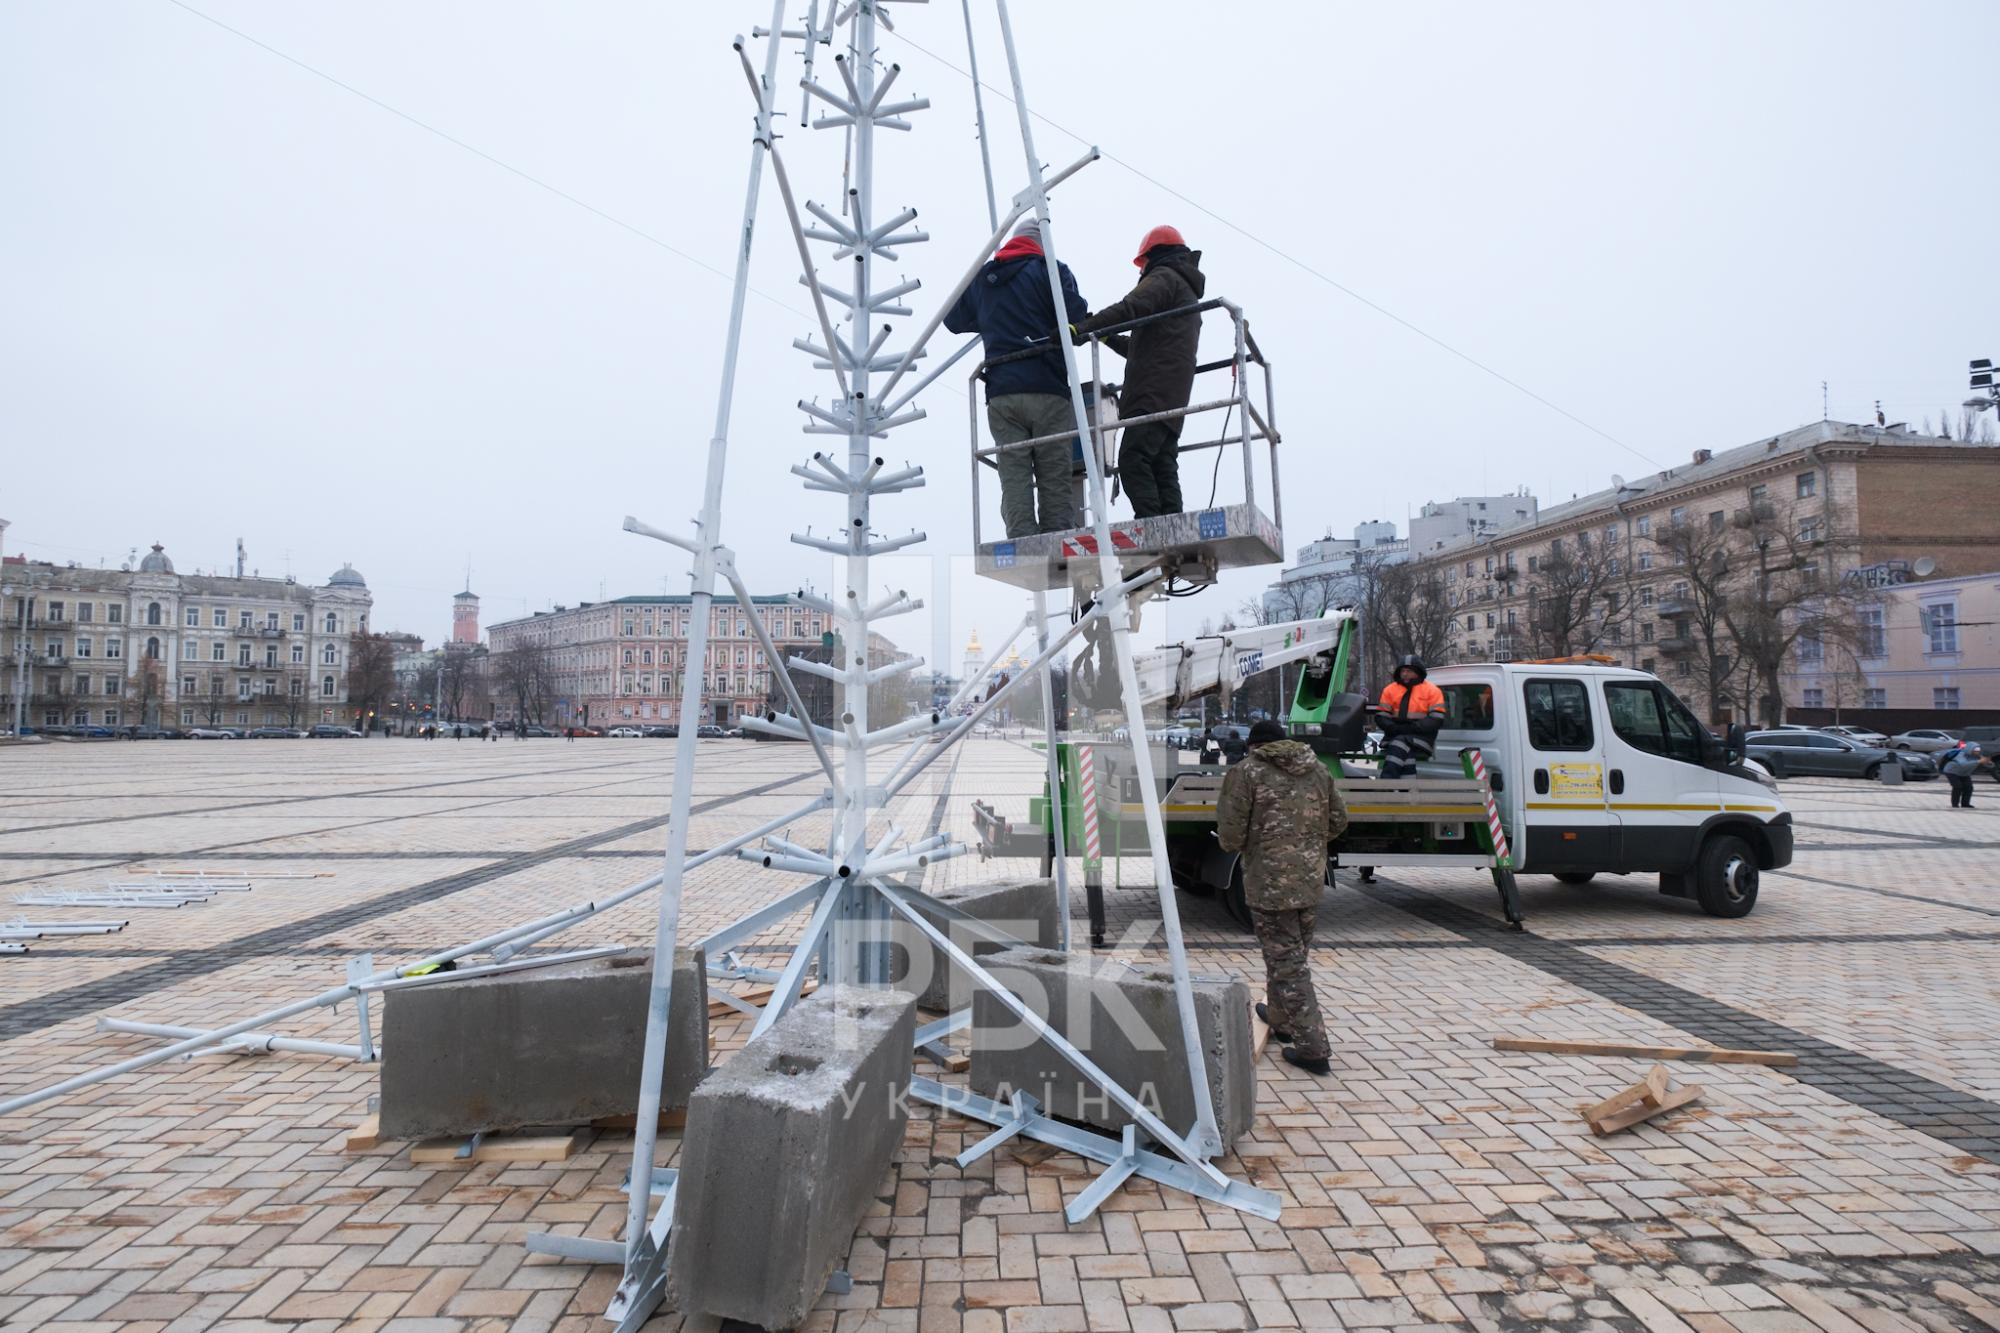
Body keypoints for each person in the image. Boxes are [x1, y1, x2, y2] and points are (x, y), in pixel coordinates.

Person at [1216, 718, 1347, 1076]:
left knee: (1288, 965)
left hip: (1269, 884)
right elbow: (1339, 820)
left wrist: (1261, 843)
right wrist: (1307, 843)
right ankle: (1280, 1018)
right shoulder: (1317, 769)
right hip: (1309, 881)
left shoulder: (1247, 772)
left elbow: (1230, 835)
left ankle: (1313, 1048)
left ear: (1253, 746)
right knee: (1290, 956)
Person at [944, 218, 1088, 538]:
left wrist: (992, 315)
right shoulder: (1051, 270)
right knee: (1053, 469)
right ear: (1042, 244)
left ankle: (1022, 538)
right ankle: (1056, 538)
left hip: (1002, 392)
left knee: (1013, 473)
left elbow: (953, 320)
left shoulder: (985, 278)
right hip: (1047, 387)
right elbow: (1076, 314)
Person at [1073, 226, 1205, 518]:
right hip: (1171, 393)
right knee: (1162, 464)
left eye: (1143, 262)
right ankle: (1172, 525)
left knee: (1133, 459)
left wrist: (1082, 329)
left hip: (1151, 392)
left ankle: (1152, 524)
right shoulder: (1185, 292)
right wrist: (1105, 337)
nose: (1141, 269)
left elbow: (1130, 308)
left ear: (1155, 255)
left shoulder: (1164, 277)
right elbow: (1145, 347)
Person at [1373, 655, 1446, 779]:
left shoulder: (1432, 690)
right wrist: (1394, 728)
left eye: (1409, 671)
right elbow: (1381, 717)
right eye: (1402, 671)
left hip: (1422, 738)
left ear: (1418, 672)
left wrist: (1411, 728)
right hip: (1394, 736)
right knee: (1405, 750)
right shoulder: (1389, 690)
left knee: (1400, 742)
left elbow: (1436, 719)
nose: (1405, 674)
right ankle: (1406, 788)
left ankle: (1387, 782)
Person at [1944, 739, 1985, 808]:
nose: (1977, 751)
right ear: (1970, 749)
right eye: (1976, 749)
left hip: (1964, 773)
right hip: (1952, 771)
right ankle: (1955, 804)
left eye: (1978, 749)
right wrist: (1978, 761)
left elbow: (1991, 766)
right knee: (1958, 786)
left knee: (1969, 787)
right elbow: (1963, 764)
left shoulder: (1978, 756)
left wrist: (1988, 762)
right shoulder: (1961, 754)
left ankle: (1965, 804)